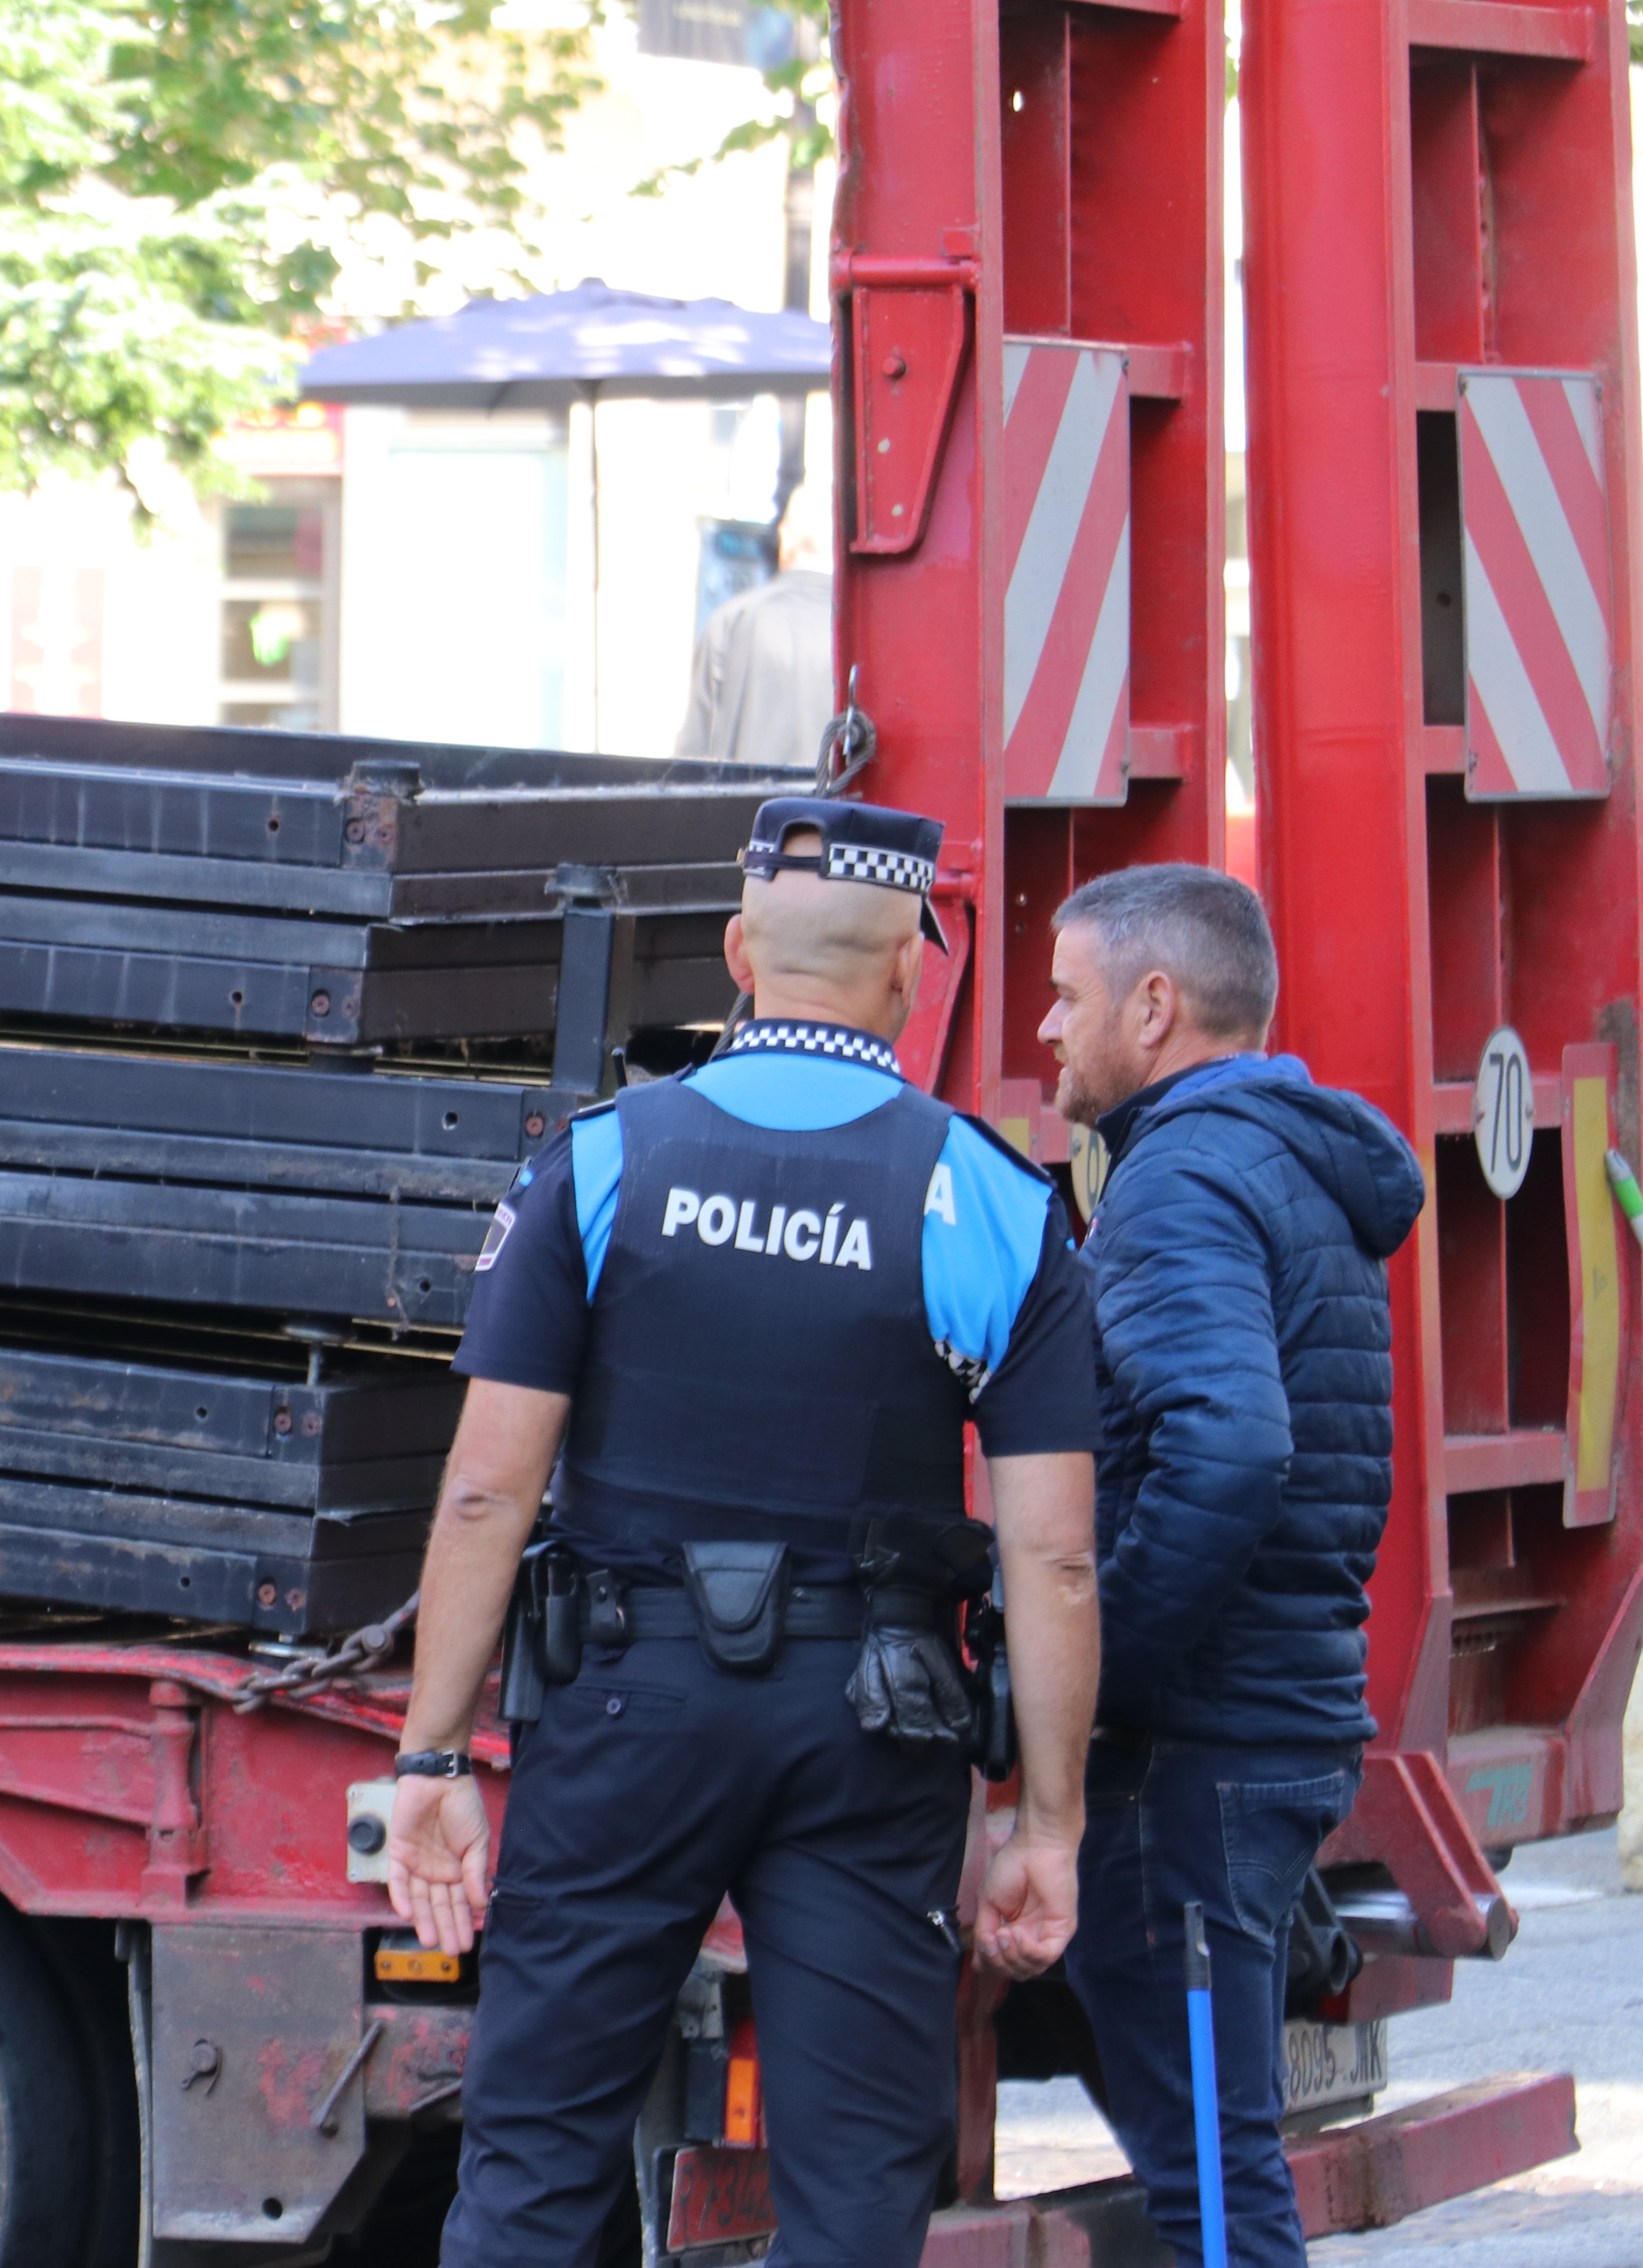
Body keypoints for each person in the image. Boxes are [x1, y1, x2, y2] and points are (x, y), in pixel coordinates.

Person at [387, 797, 1106, 2266]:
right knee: (857, 2186)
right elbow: (1053, 1558)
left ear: (736, 953)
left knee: (533, 2159)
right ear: (911, 972)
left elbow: (484, 1490)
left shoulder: (599, 1165)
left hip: (625, 1707)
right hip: (871, 1725)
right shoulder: (987, 1198)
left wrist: (433, 1755)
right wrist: (1045, 1822)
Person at [1038, 864, 1425, 2268]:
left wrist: (1094, 1673)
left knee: (1215, 2189)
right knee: (1218, 2164)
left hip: (1188, 1754)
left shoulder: (1181, 1178)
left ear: (1156, 1005)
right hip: (1263, 1727)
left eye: (1067, 996)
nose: (1045, 1027)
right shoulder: (1267, 1155)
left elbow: (1231, 1446)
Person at [675, 526, 832, 770]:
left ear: (785, 540)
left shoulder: (732, 619)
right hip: (841, 804)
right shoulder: (867, 629)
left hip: (745, 806)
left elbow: (691, 755)